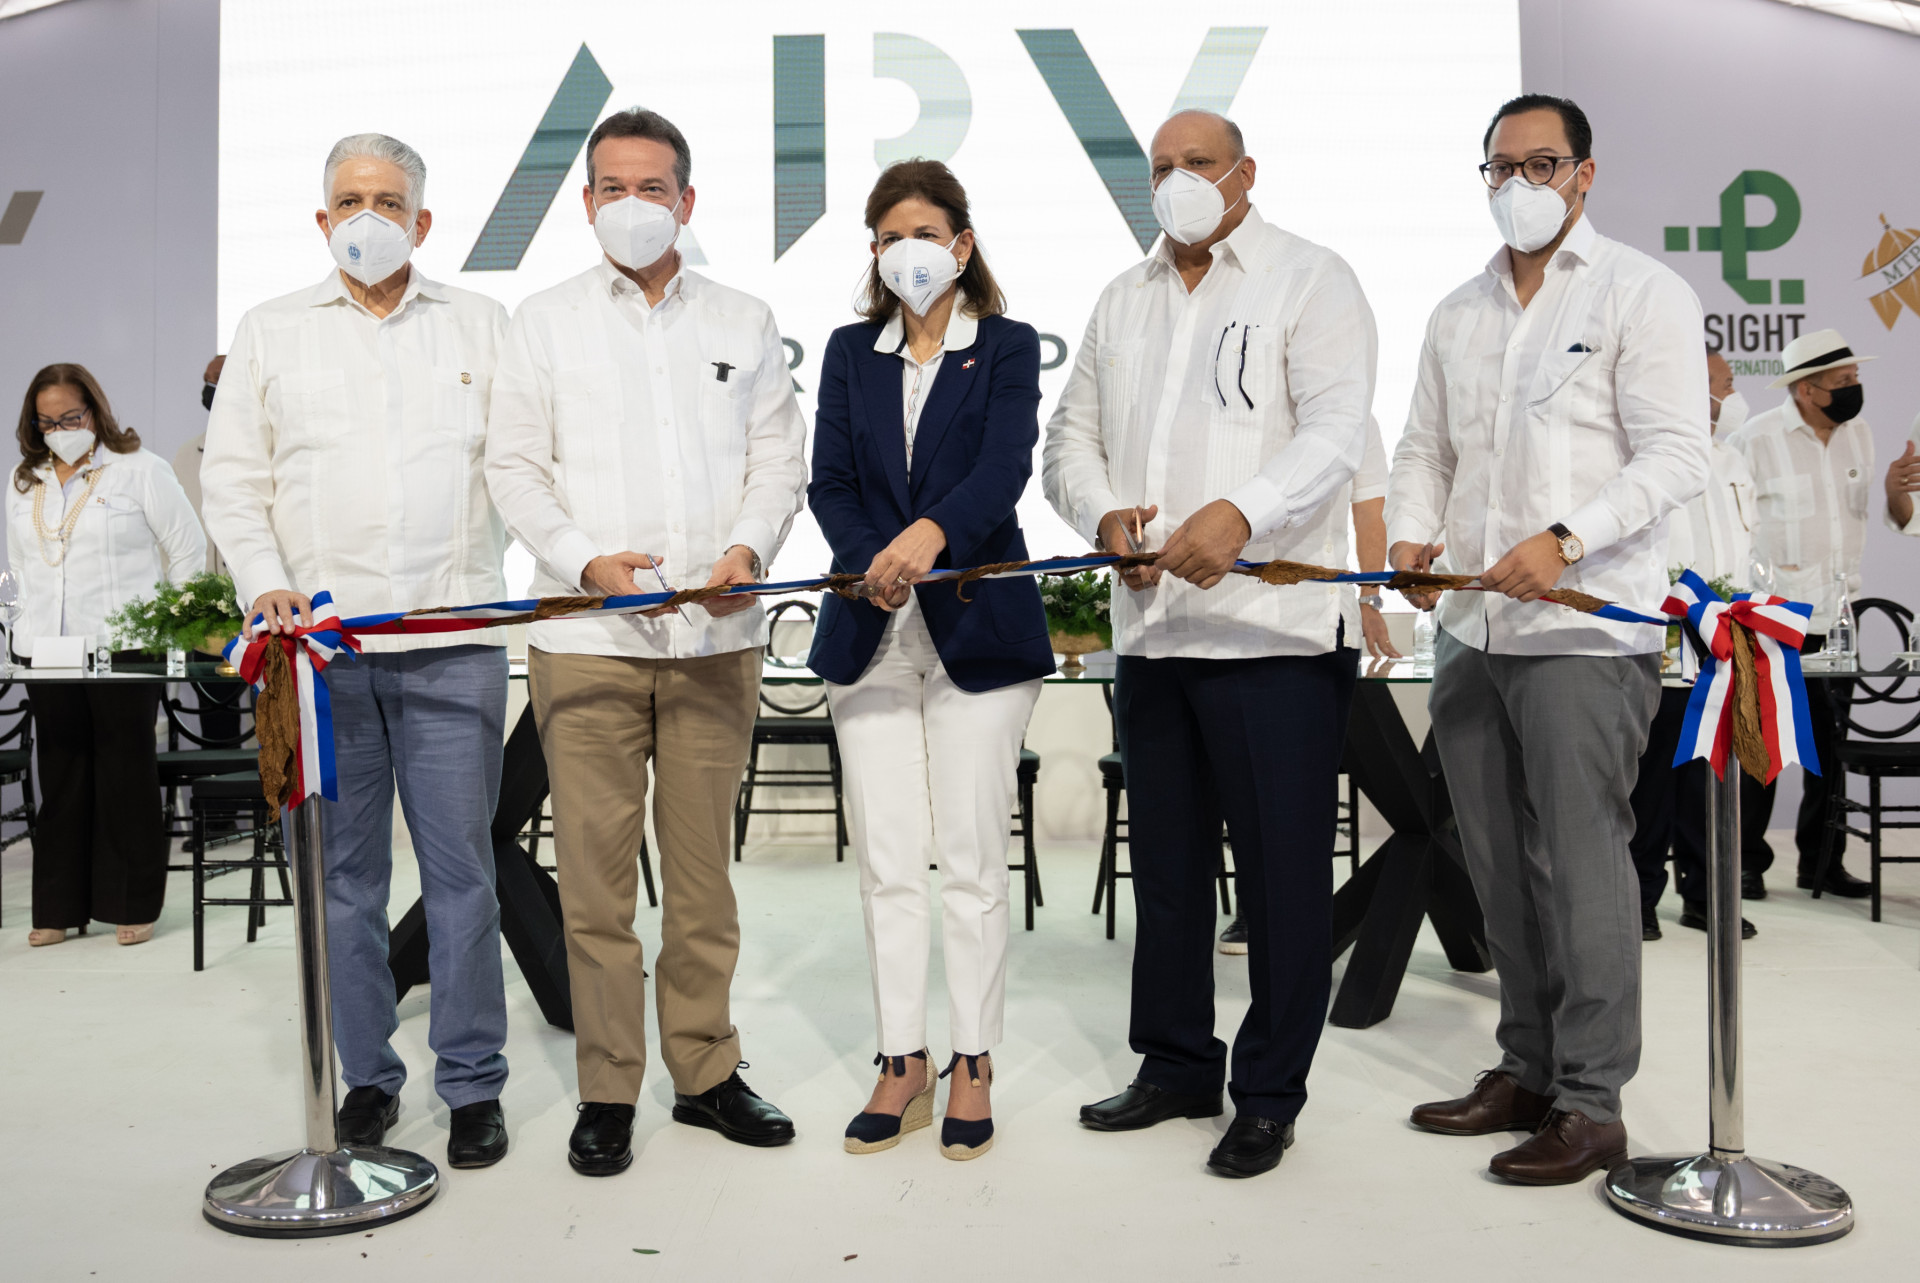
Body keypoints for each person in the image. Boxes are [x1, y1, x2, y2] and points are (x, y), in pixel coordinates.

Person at [1044, 109, 1375, 1179]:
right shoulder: (1121, 297)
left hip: (1273, 638)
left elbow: (1336, 432)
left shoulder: (1310, 278)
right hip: (1154, 633)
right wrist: (1102, 513)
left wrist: (1243, 511)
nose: (1178, 181)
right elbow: (1068, 439)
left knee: (1281, 883)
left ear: (1245, 173)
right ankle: (1177, 1062)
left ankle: (1269, 1093)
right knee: (1170, 873)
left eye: (1199, 163)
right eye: (1162, 166)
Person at [1387, 94, 1709, 1185]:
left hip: (1584, 625)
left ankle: (1592, 1099)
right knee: (1497, 865)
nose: (1520, 184)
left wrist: (1567, 539)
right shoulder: (1458, 310)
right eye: (1502, 166)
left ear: (1584, 174)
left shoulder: (1642, 292)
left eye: (1542, 164)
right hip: (1472, 625)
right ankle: (1526, 1065)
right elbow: (1423, 447)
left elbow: (1676, 454)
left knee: (1583, 867)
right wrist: (1412, 533)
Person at [486, 107, 808, 1177]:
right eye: (613, 188)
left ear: (686, 199)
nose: (633, 204)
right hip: (587, 638)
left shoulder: (744, 318)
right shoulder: (541, 322)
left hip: (716, 638)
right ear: (586, 203)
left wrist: (746, 548)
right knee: (596, 886)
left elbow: (778, 458)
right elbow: (514, 468)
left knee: (704, 878)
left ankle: (707, 1071)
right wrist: (587, 562)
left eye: (653, 186)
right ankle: (609, 1086)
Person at [202, 133, 515, 1169]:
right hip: (319, 655)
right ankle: (368, 1077)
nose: (367, 218)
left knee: (463, 873)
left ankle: (472, 1083)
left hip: (452, 641)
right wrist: (264, 580)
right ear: (321, 218)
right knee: (343, 880)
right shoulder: (271, 330)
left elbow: (520, 467)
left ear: (422, 222)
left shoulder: (482, 324)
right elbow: (235, 480)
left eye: (387, 202)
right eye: (349, 200)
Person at [807, 160, 1052, 1161]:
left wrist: (931, 535)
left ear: (961, 243)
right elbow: (829, 480)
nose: (906, 250)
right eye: (888, 235)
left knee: (973, 861)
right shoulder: (847, 351)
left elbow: (1005, 466)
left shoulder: (1005, 344)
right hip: (870, 631)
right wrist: (873, 557)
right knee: (888, 860)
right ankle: (902, 1058)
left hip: (976, 631)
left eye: (924, 232)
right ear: (873, 251)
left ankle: (973, 1058)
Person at [9, 364, 205, 948]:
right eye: (47, 422)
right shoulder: (26, 481)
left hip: (126, 645)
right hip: (48, 648)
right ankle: (58, 908)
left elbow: (188, 550)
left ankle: (132, 903)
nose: (59, 430)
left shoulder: (140, 469)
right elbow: (17, 569)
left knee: (125, 772)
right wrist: (16, 631)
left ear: (94, 411)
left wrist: (172, 629)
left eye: (70, 417)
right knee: (61, 773)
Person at [1217, 416, 1395, 957]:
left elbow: (1370, 512)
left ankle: (1287, 927)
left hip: (1315, 625)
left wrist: (1370, 599)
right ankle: (1253, 909)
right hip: (1222, 618)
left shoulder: (1353, 416)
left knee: (1296, 805)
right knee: (1236, 790)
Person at [1726, 327, 1877, 899]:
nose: (1854, 388)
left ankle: (1823, 863)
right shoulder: (1755, 440)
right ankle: (1746, 863)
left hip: (1840, 617)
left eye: (1855, 377)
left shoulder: (1860, 434)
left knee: (1829, 750)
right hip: (1772, 616)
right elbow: (1733, 524)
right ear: (1806, 389)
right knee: (1761, 745)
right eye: (1843, 381)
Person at [1628, 348, 1760, 940]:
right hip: (1668, 637)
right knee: (1654, 774)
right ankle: (1639, 897)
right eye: (1724, 385)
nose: (1733, 397)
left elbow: (1746, 545)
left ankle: (1707, 896)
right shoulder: (1649, 453)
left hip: (1728, 639)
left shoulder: (1732, 458)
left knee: (1714, 774)